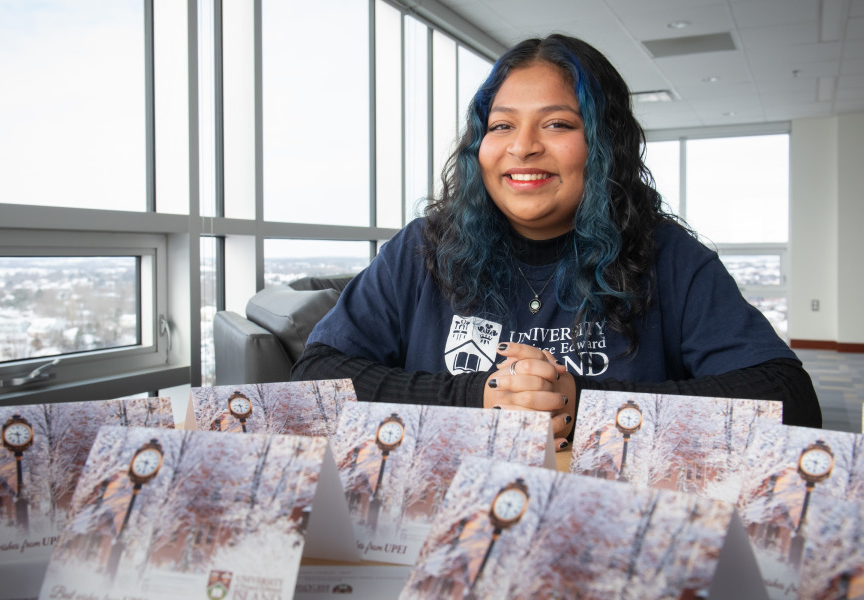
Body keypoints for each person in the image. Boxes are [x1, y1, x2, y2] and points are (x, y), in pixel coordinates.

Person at [290, 34, 822, 451]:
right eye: (501, 126)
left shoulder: (667, 255)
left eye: (557, 123)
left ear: (603, 145)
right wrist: (477, 398)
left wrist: (583, 402)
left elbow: (789, 399)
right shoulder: (422, 249)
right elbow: (314, 378)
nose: (523, 147)